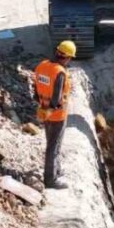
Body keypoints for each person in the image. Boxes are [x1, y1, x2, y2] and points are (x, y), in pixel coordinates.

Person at [33, 41, 76, 189]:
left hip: (44, 110)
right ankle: (50, 179)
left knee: (52, 142)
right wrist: (54, 108)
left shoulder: (42, 66)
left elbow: (35, 90)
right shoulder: (59, 72)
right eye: (70, 58)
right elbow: (57, 99)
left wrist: (45, 107)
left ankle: (56, 169)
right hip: (57, 115)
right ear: (67, 57)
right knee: (54, 145)